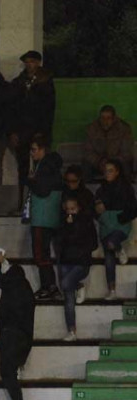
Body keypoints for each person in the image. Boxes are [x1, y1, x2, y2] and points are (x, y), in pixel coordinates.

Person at [0, 252, 35, 400]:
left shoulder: (13, 284)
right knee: (10, 372)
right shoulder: (27, 289)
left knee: (6, 372)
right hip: (23, 337)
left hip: (12, 336)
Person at [27, 134, 64, 300]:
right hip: (48, 216)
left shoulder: (46, 167)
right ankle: (50, 286)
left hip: (42, 217)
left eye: (34, 150)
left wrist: (31, 181)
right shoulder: (51, 165)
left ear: (42, 150)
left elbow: (42, 190)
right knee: (44, 253)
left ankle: (48, 286)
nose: (31, 153)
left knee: (40, 254)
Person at [10, 50, 56, 185]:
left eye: (32, 62)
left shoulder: (46, 81)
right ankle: (23, 199)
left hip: (39, 130)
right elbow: (12, 109)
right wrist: (13, 131)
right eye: (27, 62)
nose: (29, 65)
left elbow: (49, 109)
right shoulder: (18, 82)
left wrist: (43, 131)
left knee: (42, 166)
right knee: (23, 167)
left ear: (38, 63)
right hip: (22, 131)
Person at [94, 158, 137, 300]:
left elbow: (133, 209)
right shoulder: (101, 190)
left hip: (120, 224)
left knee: (112, 243)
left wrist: (119, 217)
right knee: (108, 258)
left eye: (110, 171)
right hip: (106, 225)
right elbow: (95, 209)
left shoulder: (126, 188)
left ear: (117, 172)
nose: (107, 173)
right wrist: (100, 213)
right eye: (105, 171)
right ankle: (112, 290)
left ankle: (119, 249)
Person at [57, 198, 98, 341]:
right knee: (68, 297)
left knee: (65, 284)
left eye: (73, 208)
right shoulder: (62, 223)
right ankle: (72, 331)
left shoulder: (86, 221)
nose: (70, 212)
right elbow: (59, 241)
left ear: (78, 208)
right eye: (68, 209)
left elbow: (93, 243)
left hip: (81, 262)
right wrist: (68, 227)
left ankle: (79, 285)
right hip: (66, 262)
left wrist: (81, 251)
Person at [84, 105, 133, 179]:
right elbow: (88, 151)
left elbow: (125, 151)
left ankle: (126, 187)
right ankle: (89, 187)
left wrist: (111, 163)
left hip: (117, 162)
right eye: (102, 118)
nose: (105, 121)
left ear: (114, 119)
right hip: (99, 162)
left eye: (108, 118)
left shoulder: (124, 129)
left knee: (127, 163)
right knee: (85, 163)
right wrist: (99, 161)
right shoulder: (92, 128)